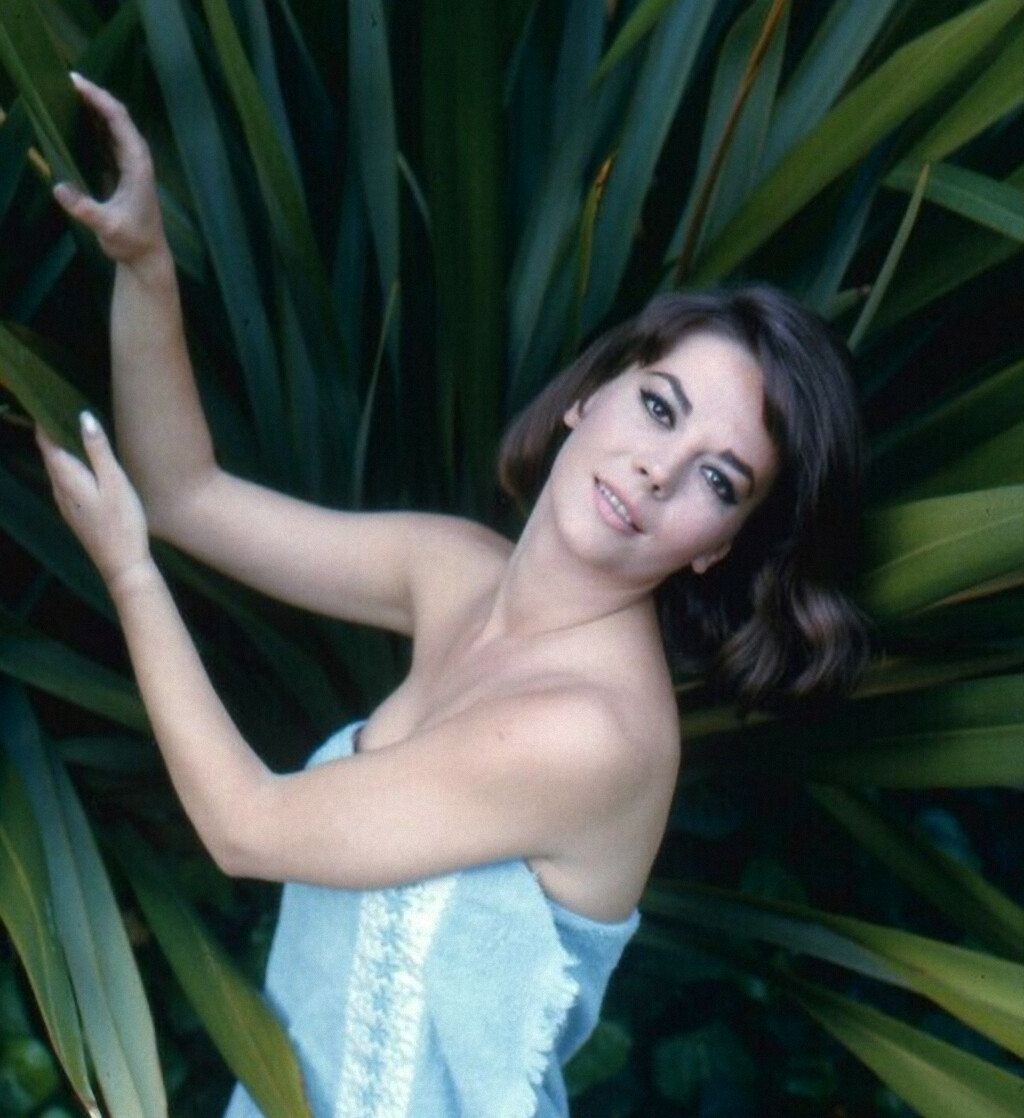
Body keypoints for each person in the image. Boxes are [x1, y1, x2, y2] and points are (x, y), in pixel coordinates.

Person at [36, 73, 870, 1118]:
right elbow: (185, 494)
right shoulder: (455, 568)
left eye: (718, 478)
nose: (659, 469)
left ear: (723, 547)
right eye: (660, 408)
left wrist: (128, 574)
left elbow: (247, 827)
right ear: (589, 396)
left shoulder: (595, 735)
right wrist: (146, 263)